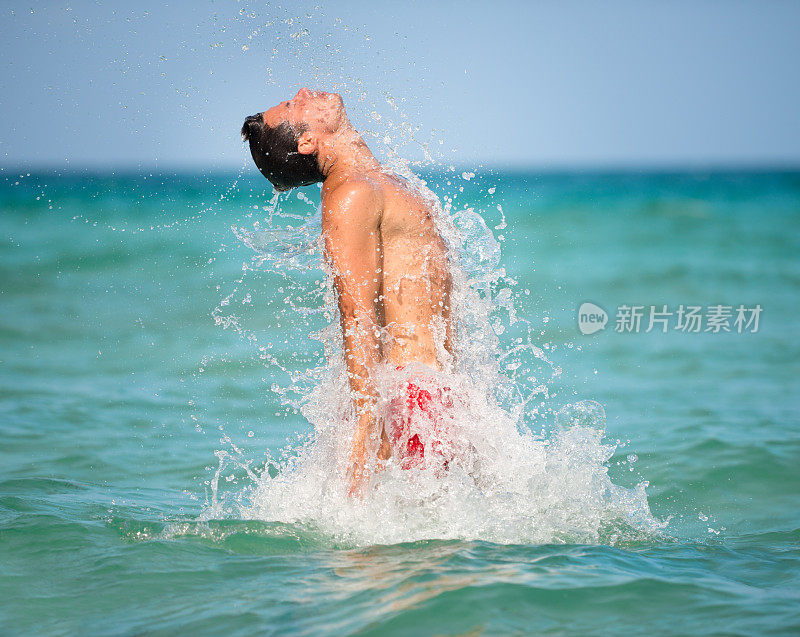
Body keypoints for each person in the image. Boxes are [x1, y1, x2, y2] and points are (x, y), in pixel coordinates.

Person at [242, 88, 454, 496]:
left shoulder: (376, 183)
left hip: (432, 397)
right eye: (292, 104)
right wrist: (367, 423)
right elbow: (355, 315)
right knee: (414, 555)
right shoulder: (349, 195)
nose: (303, 92)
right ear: (306, 141)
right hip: (411, 405)